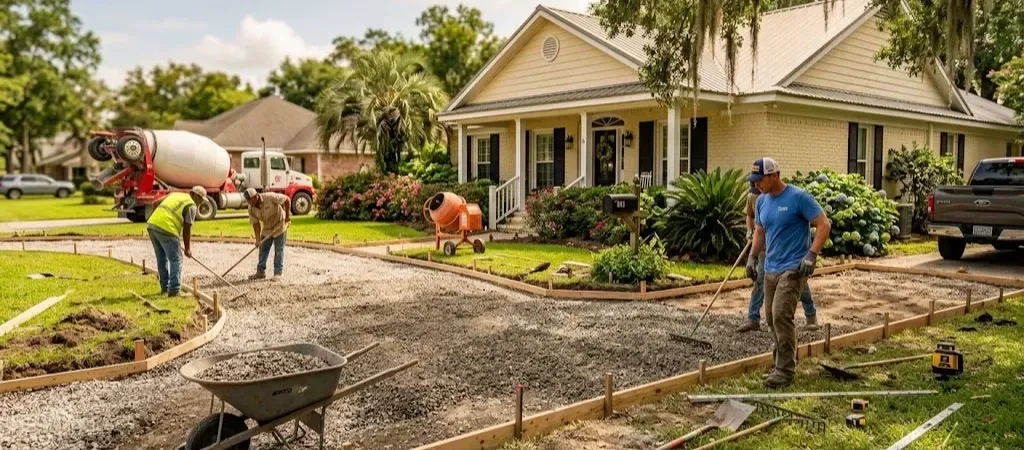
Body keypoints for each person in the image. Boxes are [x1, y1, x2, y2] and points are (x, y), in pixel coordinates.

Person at [746, 158, 830, 388]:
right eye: (754, 181)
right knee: (772, 319)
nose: (756, 185)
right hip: (770, 267)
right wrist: (752, 258)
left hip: (793, 267)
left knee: (782, 315)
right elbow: (760, 232)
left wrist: (811, 254)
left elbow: (824, 224)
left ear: (775, 175)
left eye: (760, 179)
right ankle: (780, 364)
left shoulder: (798, 197)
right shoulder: (761, 201)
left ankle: (785, 371)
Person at [737, 181, 819, 333]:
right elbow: (751, 218)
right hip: (765, 253)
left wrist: (811, 254)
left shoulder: (786, 198)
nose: (759, 187)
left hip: (788, 256)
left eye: (760, 183)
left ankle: (811, 316)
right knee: (759, 284)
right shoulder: (754, 197)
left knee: (799, 286)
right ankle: (753, 319)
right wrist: (750, 238)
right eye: (755, 185)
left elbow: (820, 224)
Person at [146, 186, 207, 297]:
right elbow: (187, 229)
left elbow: (155, 203)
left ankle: (165, 288)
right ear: (194, 195)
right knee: (176, 259)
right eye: (201, 199)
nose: (200, 202)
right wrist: (187, 248)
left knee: (162, 259)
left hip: (152, 225)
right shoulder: (191, 206)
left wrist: (157, 222)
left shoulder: (175, 195)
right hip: (167, 228)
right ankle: (174, 290)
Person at [244, 188, 291, 280]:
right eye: (248, 201)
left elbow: (287, 199)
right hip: (267, 228)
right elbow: (256, 224)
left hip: (279, 225)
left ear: (256, 196)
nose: (249, 202)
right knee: (262, 249)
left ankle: (278, 273)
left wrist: (287, 217)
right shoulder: (251, 209)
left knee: (278, 250)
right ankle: (260, 272)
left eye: (250, 200)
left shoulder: (270, 197)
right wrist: (257, 240)